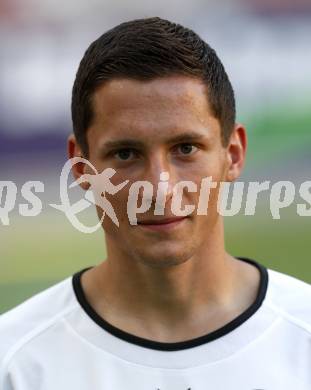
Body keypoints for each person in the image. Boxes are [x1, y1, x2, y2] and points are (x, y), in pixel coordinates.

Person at [0, 17, 310, 390]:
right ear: (82, 168)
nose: (160, 188)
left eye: (185, 149)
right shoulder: (15, 365)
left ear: (234, 154)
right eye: (126, 153)